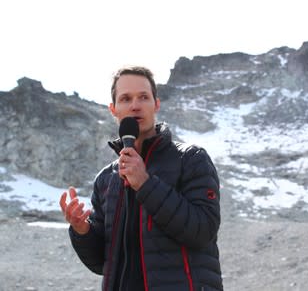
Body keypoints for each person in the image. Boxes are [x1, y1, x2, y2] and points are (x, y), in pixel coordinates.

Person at [59, 66, 223, 291]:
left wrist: (145, 184)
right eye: (125, 98)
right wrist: (82, 230)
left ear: (156, 104)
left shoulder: (191, 159)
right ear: (113, 109)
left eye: (143, 97)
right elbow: (101, 263)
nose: (135, 105)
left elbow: (203, 230)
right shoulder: (106, 179)